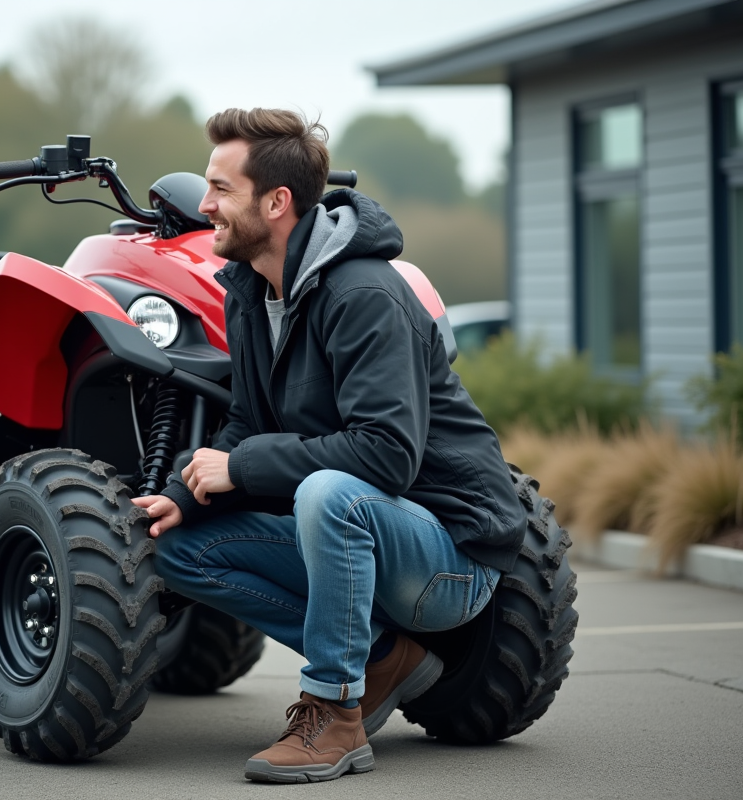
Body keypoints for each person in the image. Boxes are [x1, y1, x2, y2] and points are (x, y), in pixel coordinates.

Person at [130, 108, 527, 784]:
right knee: (176, 546)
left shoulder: (364, 293)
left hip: (449, 559)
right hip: (364, 537)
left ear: (276, 202)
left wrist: (242, 467)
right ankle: (381, 657)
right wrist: (182, 497)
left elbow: (385, 454)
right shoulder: (251, 293)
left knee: (328, 492)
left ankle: (335, 714)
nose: (205, 206)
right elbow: (248, 422)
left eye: (221, 189)